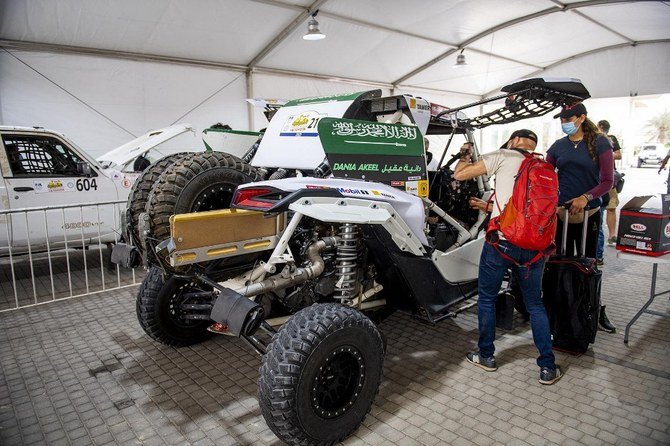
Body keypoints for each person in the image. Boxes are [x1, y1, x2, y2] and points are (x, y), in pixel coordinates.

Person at [454, 129, 563, 385]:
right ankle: (547, 366)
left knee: (488, 299)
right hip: (534, 248)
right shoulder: (545, 167)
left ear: (513, 141)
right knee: (535, 304)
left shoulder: (503, 155)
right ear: (533, 145)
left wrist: (464, 153)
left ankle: (486, 356)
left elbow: (459, 174)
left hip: (501, 243)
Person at [546, 103, 617, 333]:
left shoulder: (600, 142)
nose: (564, 123)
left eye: (568, 118)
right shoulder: (558, 146)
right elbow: (546, 174)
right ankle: (559, 309)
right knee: (558, 262)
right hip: (561, 213)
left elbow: (608, 181)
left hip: (589, 214)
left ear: (582, 118)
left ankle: (592, 309)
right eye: (561, 119)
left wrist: (586, 197)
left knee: (588, 263)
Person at [597, 120, 623, 252]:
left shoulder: (611, 139)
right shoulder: (592, 139)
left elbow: (619, 155)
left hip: (610, 180)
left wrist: (606, 154)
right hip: (597, 180)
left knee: (611, 207)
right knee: (599, 211)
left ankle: (612, 235)